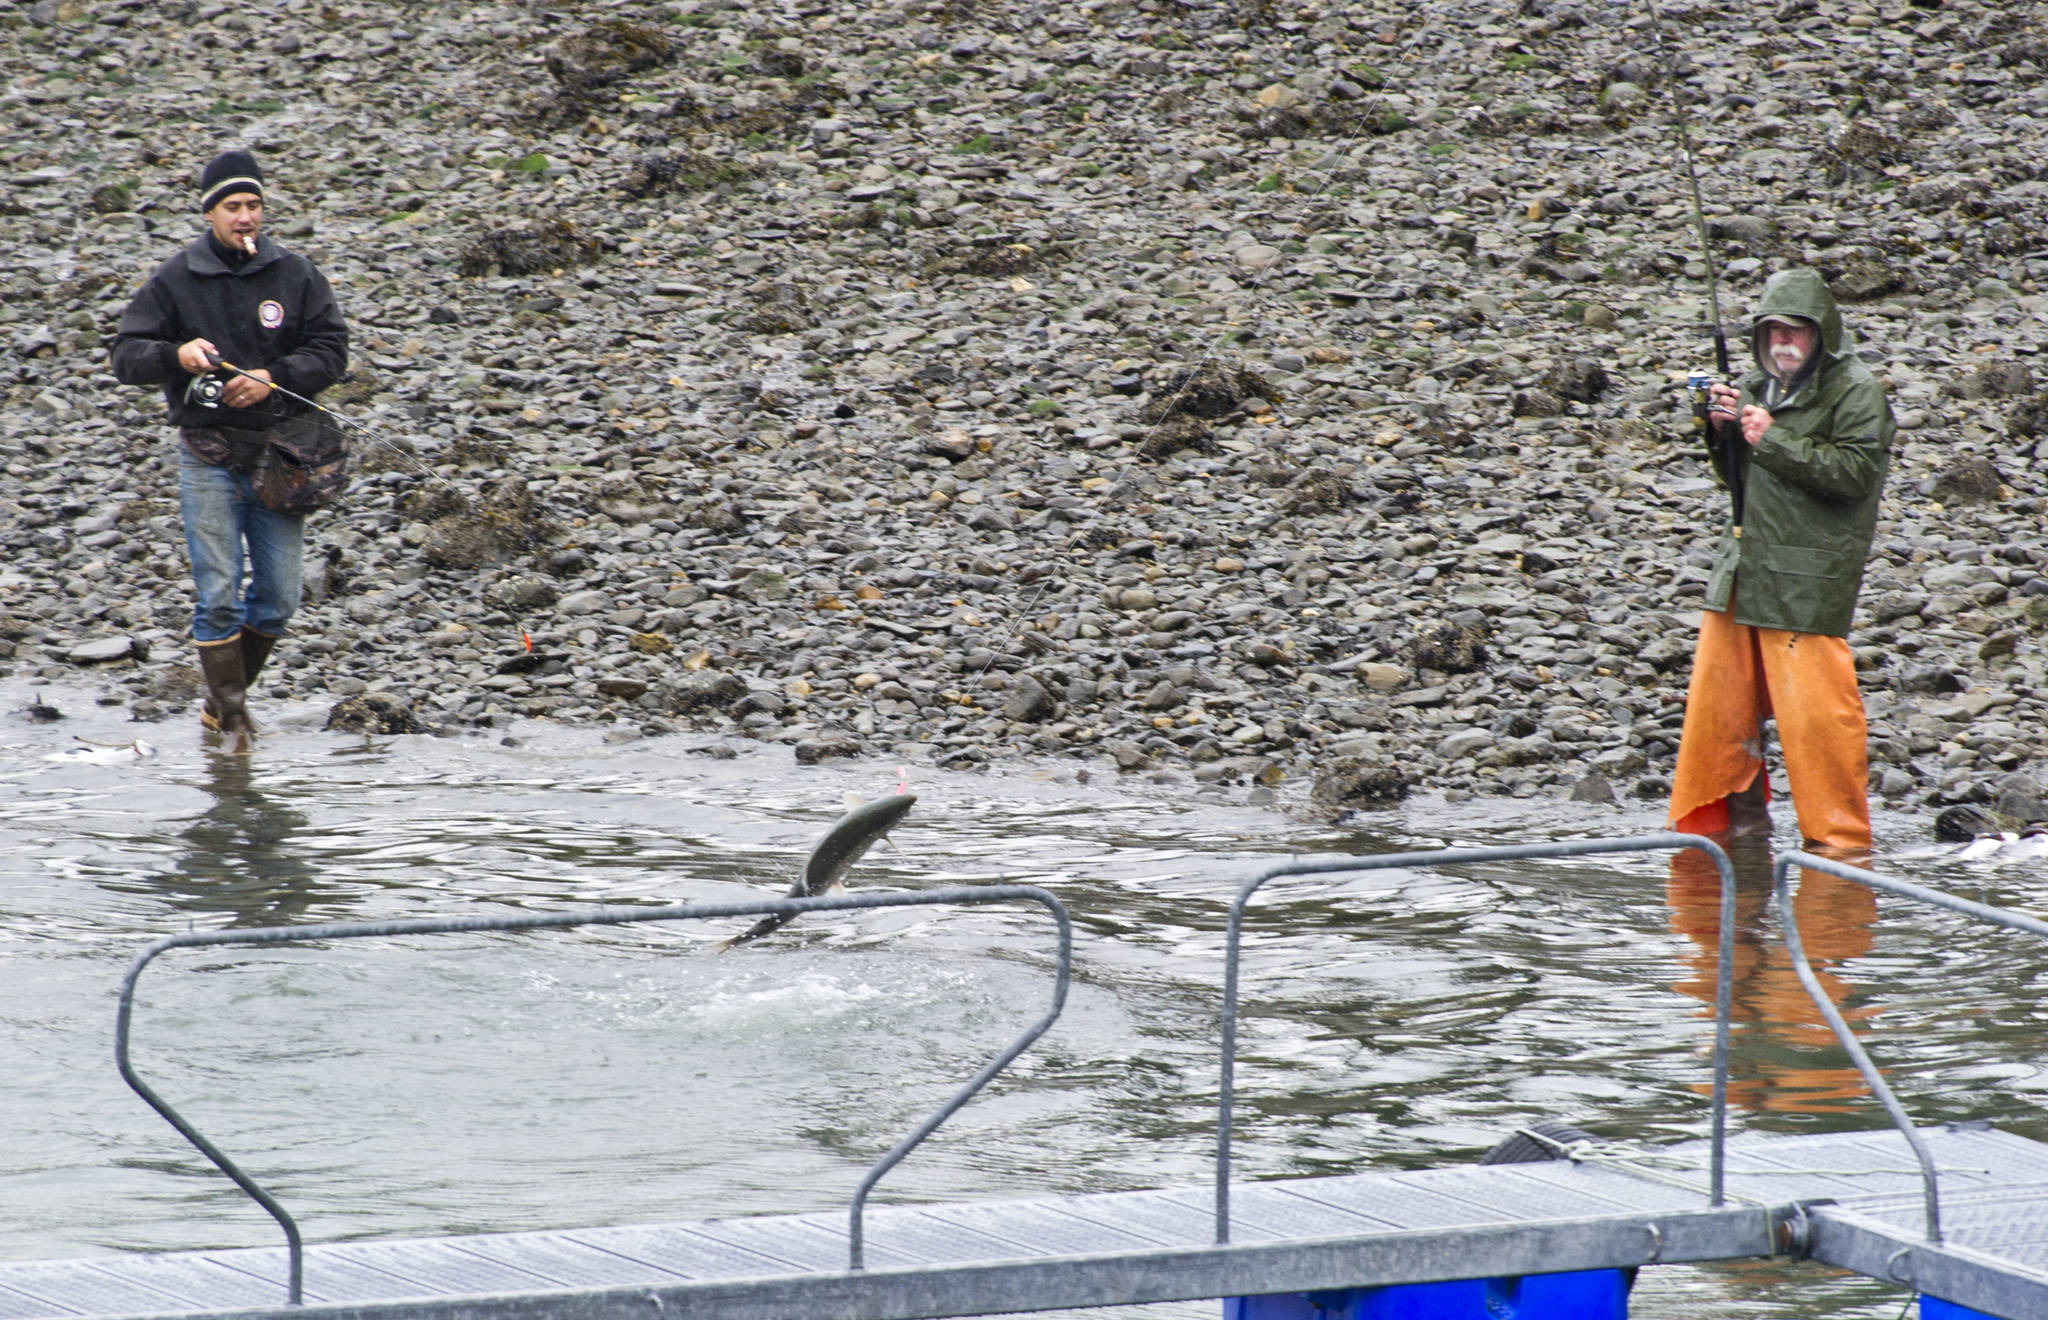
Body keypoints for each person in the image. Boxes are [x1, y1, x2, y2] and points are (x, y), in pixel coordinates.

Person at [112, 150, 348, 742]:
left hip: (281, 458)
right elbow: (125, 356)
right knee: (218, 595)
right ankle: (233, 716)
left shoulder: (295, 274)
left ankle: (221, 709)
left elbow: (331, 351)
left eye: (254, 206)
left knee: (277, 600)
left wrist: (276, 375)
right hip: (207, 456)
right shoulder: (175, 279)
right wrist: (175, 355)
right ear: (210, 212)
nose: (245, 217)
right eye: (233, 207)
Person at [1667, 267, 1893, 852]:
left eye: (1796, 331)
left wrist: (1774, 438)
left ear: (1823, 335)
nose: (1783, 344)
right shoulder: (1755, 386)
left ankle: (1841, 851)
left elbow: (1855, 475)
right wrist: (1722, 435)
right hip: (1742, 571)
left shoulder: (1857, 390)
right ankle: (1736, 837)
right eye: (1772, 332)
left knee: (1818, 725)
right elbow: (1738, 482)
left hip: (1808, 584)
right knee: (1721, 712)